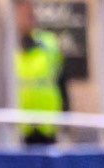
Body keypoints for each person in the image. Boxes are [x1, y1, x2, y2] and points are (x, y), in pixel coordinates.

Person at [14, 0, 66, 146]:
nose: (27, 19)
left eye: (30, 14)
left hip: (47, 123)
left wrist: (66, 115)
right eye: (23, 14)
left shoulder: (49, 42)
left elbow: (61, 80)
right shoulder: (8, 45)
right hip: (19, 124)